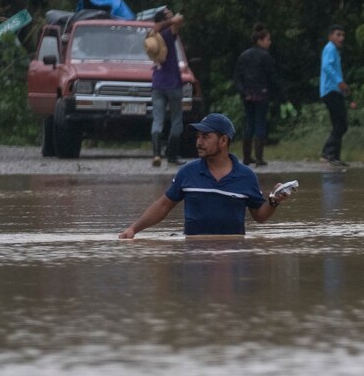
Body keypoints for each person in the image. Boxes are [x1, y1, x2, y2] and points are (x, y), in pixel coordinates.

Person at [119, 113, 291, 238]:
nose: (199, 142)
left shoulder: (246, 176)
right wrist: (133, 229)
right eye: (198, 137)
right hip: (194, 253)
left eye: (205, 137)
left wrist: (274, 200)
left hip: (232, 254)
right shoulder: (188, 172)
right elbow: (163, 206)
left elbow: (259, 216)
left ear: (223, 141)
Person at [234, 23, 284, 166]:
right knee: (260, 123)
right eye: (268, 39)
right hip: (261, 94)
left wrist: (243, 91)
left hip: (247, 95)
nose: (269, 42)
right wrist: (280, 93)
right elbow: (272, 76)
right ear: (260, 40)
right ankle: (259, 157)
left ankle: (246, 157)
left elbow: (237, 77)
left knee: (249, 123)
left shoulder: (243, 56)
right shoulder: (265, 56)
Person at [149, 8, 186, 167]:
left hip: (157, 82)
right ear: (164, 19)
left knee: (158, 120)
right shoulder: (168, 33)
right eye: (168, 14)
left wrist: (167, 18)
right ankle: (171, 156)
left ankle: (156, 154)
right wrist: (173, 19)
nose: (172, 15)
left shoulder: (151, 35)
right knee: (177, 119)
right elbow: (179, 20)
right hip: (172, 82)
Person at [319, 24, 350, 167]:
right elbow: (327, 67)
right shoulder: (330, 48)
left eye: (342, 35)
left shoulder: (334, 50)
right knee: (341, 124)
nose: (341, 38)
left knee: (340, 123)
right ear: (330, 36)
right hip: (330, 90)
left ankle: (334, 156)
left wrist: (341, 87)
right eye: (338, 34)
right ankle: (328, 153)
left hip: (334, 90)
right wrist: (340, 82)